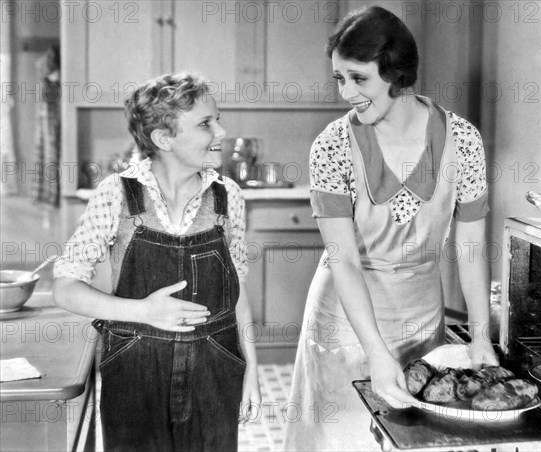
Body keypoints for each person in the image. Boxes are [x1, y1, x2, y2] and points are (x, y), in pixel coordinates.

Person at [284, 6, 498, 451]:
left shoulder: (463, 140)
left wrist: (480, 335)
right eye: (339, 78)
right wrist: (376, 352)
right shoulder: (332, 146)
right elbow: (342, 260)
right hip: (344, 320)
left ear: (396, 73)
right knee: (340, 439)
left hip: (422, 318)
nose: (346, 93)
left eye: (358, 78)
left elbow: (472, 243)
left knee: (417, 438)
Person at [53, 72, 261, 452]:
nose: (221, 131)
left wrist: (252, 369)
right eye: (205, 123)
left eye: (218, 118)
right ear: (164, 139)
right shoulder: (115, 195)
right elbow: (65, 288)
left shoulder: (228, 196)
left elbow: (238, 291)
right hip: (135, 370)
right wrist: (145, 311)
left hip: (216, 367)